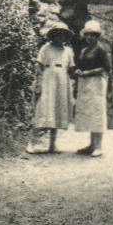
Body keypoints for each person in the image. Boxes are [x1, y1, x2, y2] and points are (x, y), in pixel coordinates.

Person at [28, 24, 76, 154]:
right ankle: (31, 143)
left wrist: (73, 80)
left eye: (63, 34)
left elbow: (71, 68)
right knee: (43, 108)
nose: (60, 37)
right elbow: (39, 65)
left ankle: (52, 144)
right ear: (53, 35)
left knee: (57, 110)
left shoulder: (67, 51)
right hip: (48, 80)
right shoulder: (45, 48)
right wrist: (39, 80)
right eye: (58, 34)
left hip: (61, 82)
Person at [72, 19, 111, 157]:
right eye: (88, 34)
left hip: (96, 83)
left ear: (97, 36)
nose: (89, 37)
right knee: (88, 113)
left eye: (93, 35)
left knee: (96, 113)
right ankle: (91, 145)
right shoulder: (84, 50)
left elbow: (106, 68)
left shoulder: (100, 49)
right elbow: (80, 65)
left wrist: (88, 72)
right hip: (84, 84)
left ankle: (98, 146)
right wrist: (78, 71)